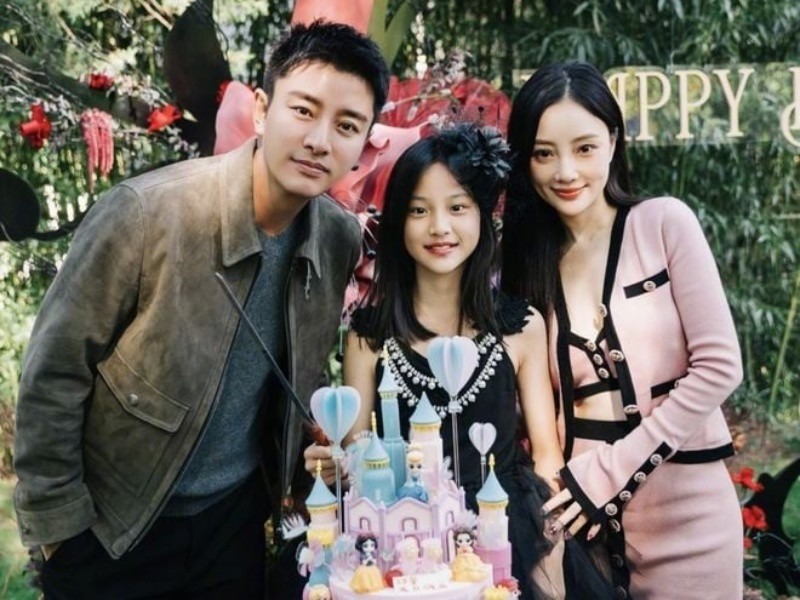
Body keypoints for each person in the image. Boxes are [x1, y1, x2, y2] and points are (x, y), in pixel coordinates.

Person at [13, 20, 389, 598]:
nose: (320, 140)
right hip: (116, 528)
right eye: (303, 110)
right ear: (261, 110)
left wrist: (305, 458)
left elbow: (299, 368)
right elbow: (53, 376)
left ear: (363, 142)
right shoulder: (146, 214)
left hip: (231, 528)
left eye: (346, 125)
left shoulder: (337, 238)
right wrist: (60, 534)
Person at [501, 62, 744, 599]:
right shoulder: (525, 264)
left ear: (613, 141)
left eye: (584, 148)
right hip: (583, 528)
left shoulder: (664, 223)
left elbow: (720, 366)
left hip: (689, 519)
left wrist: (606, 475)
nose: (566, 171)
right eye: (544, 154)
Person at [304, 123, 566, 599]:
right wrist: (331, 464)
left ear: (483, 216)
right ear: (398, 223)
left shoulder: (521, 326)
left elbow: (547, 454)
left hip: (503, 530)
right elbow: (359, 457)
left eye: (457, 208)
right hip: (401, 548)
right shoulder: (369, 336)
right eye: (419, 210)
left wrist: (554, 555)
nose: (439, 227)